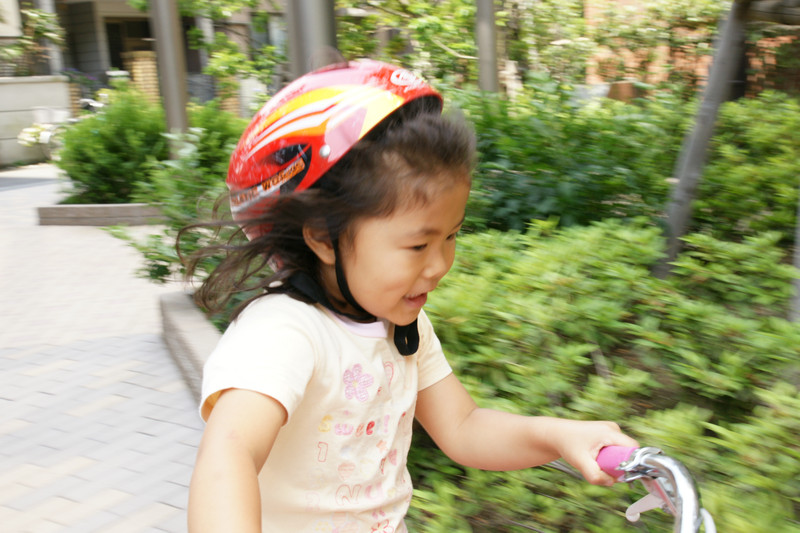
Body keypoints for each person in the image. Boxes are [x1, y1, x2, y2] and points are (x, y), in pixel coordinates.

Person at [185, 59, 637, 533]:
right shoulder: (284, 332)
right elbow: (229, 455)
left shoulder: (402, 325)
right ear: (321, 237)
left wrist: (559, 435)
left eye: (452, 236)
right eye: (418, 245)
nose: (439, 265)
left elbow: (463, 428)